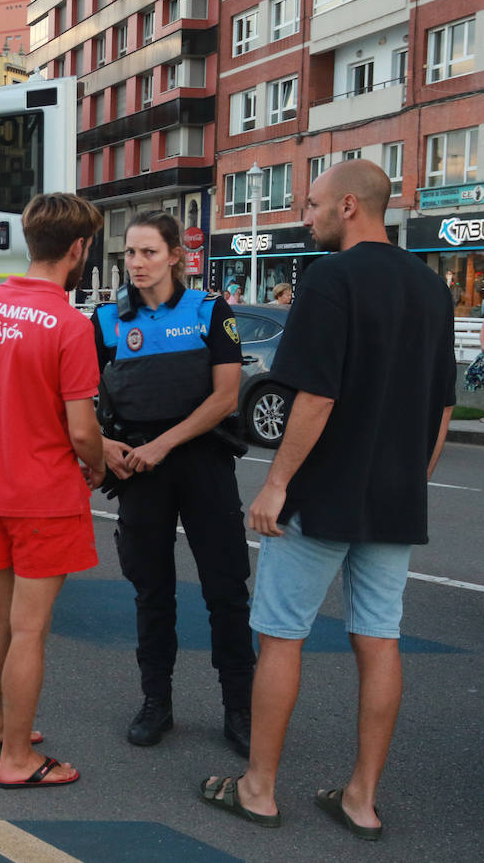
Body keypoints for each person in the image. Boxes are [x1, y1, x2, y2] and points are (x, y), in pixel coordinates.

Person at [199, 160, 457, 840]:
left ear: (348, 206)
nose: (302, 217)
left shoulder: (330, 280)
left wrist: (277, 483)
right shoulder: (433, 290)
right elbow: (441, 409)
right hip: (395, 503)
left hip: (323, 495)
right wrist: (414, 479)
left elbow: (314, 396)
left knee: (281, 634)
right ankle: (361, 798)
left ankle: (258, 789)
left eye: (310, 205)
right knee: (380, 641)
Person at [93, 210, 255, 755]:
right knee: (151, 592)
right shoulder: (106, 321)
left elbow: (225, 398)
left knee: (226, 590)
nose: (137, 264)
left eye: (149, 253)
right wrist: (103, 444)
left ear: (175, 257)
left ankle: (240, 708)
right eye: (130, 254)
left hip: (201, 464)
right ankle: (155, 703)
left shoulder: (209, 311)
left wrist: (164, 444)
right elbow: (78, 396)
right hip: (137, 470)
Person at [0, 193, 105, 787]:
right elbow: (81, 428)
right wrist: (95, 464)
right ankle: (17, 758)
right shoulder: (70, 325)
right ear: (77, 249)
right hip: (43, 495)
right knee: (29, 629)